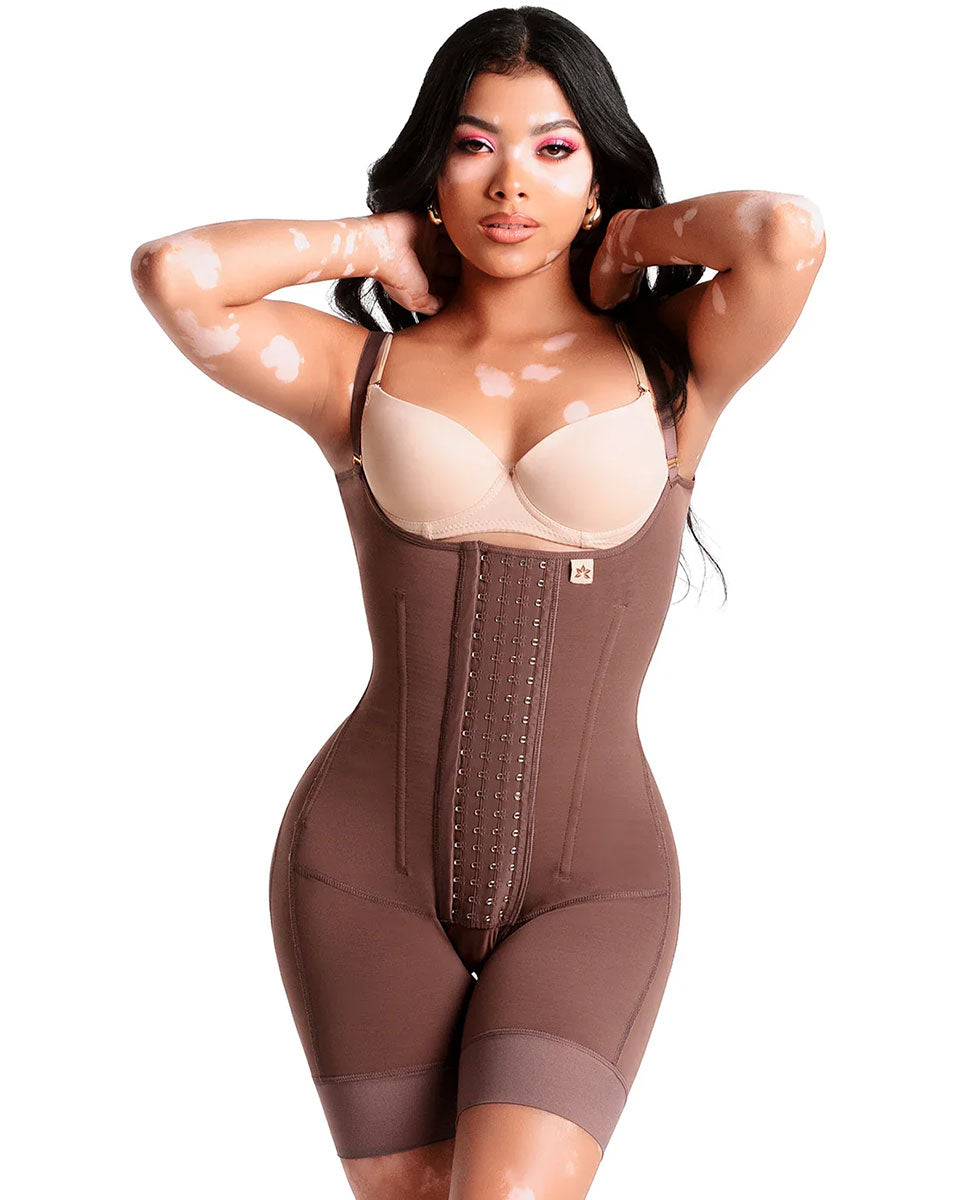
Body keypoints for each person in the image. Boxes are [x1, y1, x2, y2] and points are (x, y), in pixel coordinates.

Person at [130, 7, 825, 1198]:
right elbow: (175, 273)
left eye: (553, 149)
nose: (511, 182)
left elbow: (782, 233)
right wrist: (367, 243)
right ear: (432, 173)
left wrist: (633, 239)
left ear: (595, 176)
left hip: (592, 885)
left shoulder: (675, 366)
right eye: (473, 145)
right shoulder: (359, 375)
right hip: (362, 869)